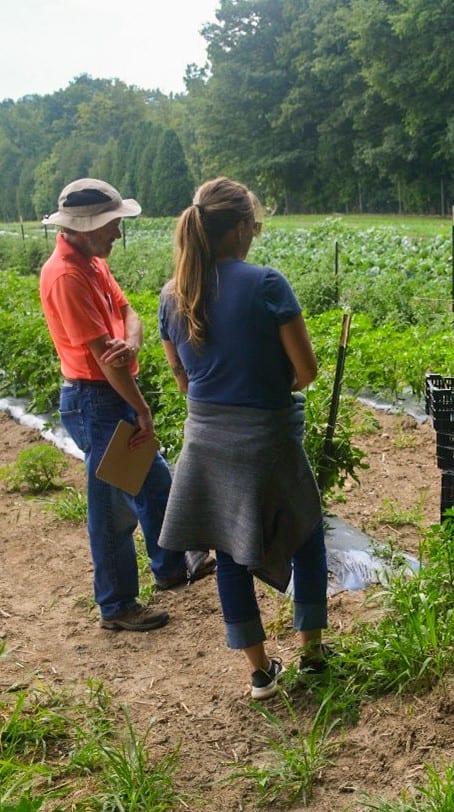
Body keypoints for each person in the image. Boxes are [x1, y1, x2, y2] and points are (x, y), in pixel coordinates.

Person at [156, 177, 328, 700]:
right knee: (305, 534)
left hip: (206, 441)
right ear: (237, 230)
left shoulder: (173, 295)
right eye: (253, 224)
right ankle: (314, 655)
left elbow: (183, 381)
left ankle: (259, 673)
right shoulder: (267, 284)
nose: (255, 233)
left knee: (229, 552)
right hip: (267, 439)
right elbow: (307, 371)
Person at [39, 178, 215, 633]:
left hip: (108, 393)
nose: (117, 233)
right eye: (111, 224)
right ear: (83, 227)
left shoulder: (92, 263)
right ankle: (116, 605)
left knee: (155, 484)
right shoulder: (66, 276)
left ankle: (171, 567)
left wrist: (130, 345)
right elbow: (107, 361)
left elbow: (128, 316)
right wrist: (143, 410)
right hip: (96, 400)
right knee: (113, 508)